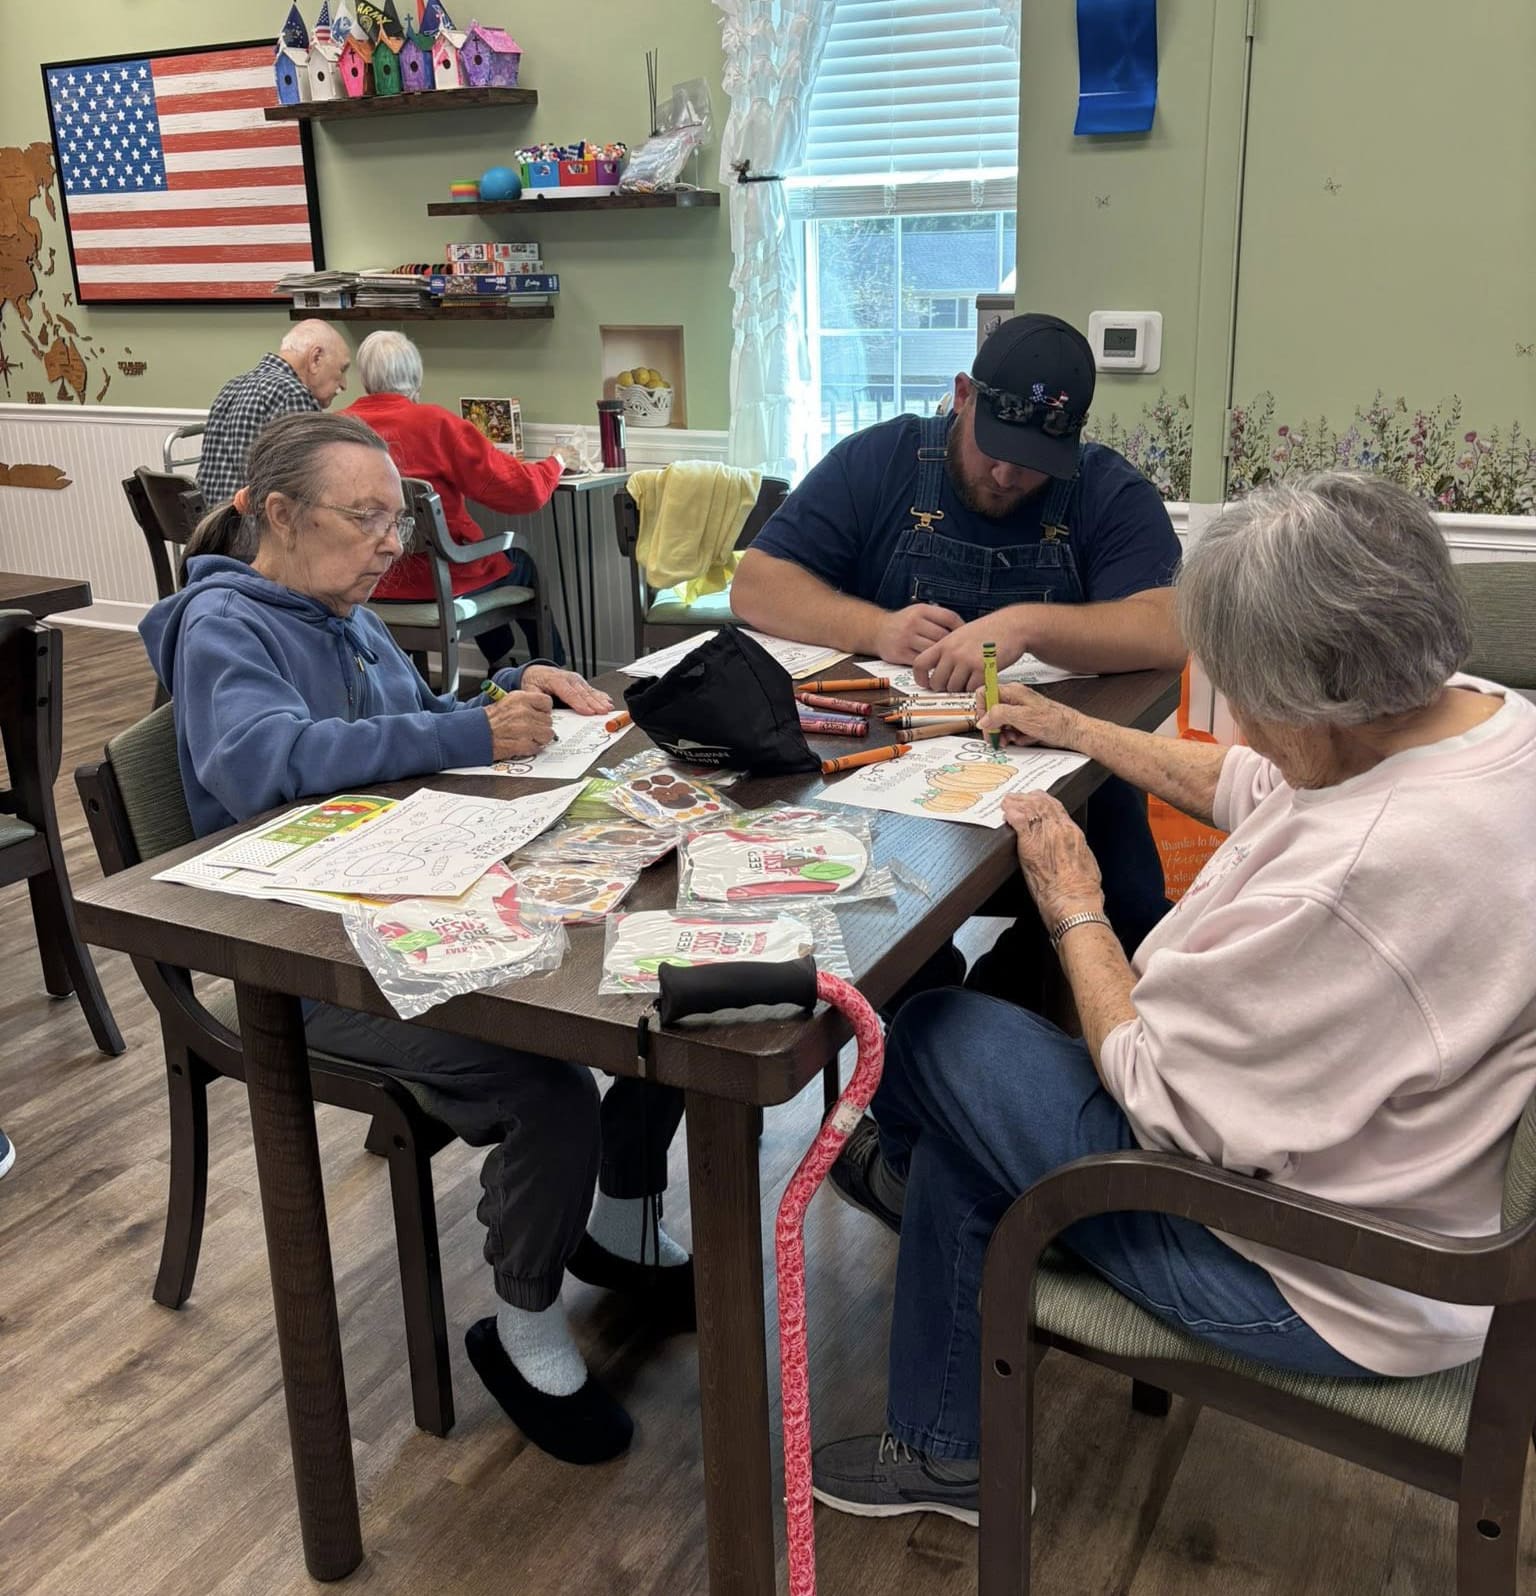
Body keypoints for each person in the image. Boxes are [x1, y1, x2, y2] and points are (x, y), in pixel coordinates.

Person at [812, 472, 1536, 1525]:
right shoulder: (1477, 718)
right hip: (1406, 1179)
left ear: (1319, 698)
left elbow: (1156, 1092)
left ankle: (901, 1183)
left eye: (1245, 697)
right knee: (973, 1136)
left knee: (933, 1033)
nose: (1241, 725)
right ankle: (942, 1449)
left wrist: (1075, 908)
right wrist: (1072, 726)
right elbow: (1257, 785)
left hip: (1323, 1273)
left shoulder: (1364, 877)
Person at [142, 411, 690, 1465]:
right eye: (367, 519)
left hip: (402, 907)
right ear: (280, 515)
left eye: (397, 520)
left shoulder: (340, 612)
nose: (392, 545)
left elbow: (412, 720)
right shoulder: (226, 625)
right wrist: (465, 728)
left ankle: (617, 1225)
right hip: (303, 962)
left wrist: (506, 693)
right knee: (546, 1086)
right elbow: (262, 764)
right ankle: (524, 1321)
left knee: (651, 977)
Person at [732, 312, 1187, 1004]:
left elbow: (1168, 629)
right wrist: (877, 628)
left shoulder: (1106, 490)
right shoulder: (881, 461)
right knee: (883, 931)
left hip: (1066, 781)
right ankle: (932, 1023)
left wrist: (1027, 624)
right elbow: (756, 584)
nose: (1006, 475)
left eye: (1033, 463)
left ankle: (1002, 1016)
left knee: (1127, 915)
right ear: (963, 395)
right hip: (893, 776)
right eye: (993, 449)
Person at [343, 330, 568, 669]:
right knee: (518, 562)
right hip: (439, 582)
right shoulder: (436, 423)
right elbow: (523, 492)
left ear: (364, 378)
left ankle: (501, 662)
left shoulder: (338, 429)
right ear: (416, 378)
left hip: (369, 581)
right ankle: (552, 672)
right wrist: (557, 462)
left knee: (486, 562)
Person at [197, 321, 353, 504]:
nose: (344, 384)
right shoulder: (292, 394)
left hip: (214, 519)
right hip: (255, 520)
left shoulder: (231, 387)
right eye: (342, 370)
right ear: (316, 359)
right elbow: (306, 488)